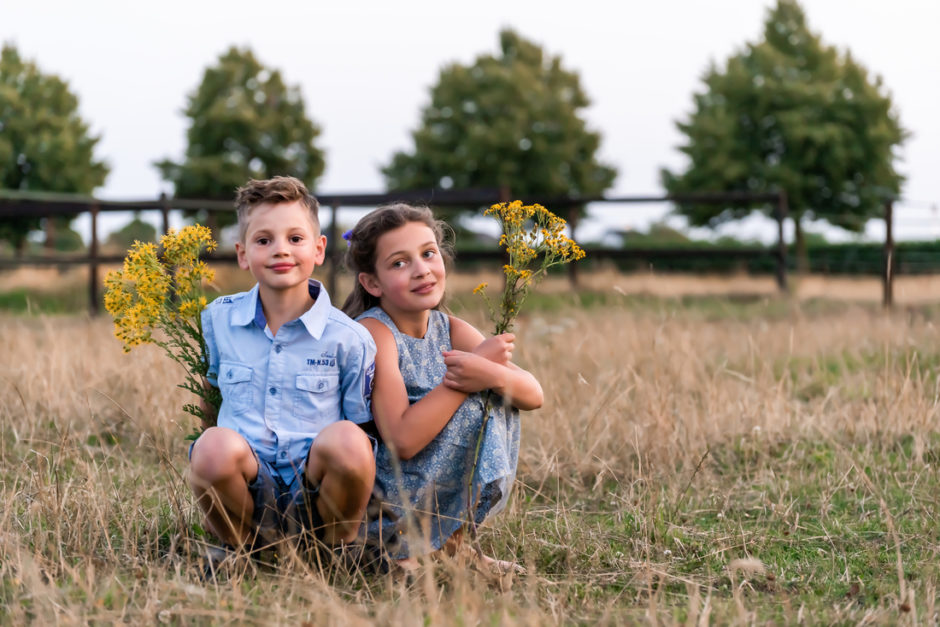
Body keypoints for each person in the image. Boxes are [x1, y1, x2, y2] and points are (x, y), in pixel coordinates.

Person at [342, 204, 543, 570]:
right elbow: (401, 440)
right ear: (372, 283)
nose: (421, 269)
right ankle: (402, 547)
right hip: (386, 490)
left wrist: (491, 373)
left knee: (497, 396)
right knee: (473, 402)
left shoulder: (449, 328)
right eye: (399, 263)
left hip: (425, 476)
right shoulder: (375, 332)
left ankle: (453, 543)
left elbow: (533, 395)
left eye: (428, 253)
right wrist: (468, 378)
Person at [188, 176, 377, 557]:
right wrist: (211, 476)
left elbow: (362, 428)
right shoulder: (218, 320)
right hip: (248, 481)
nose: (280, 251)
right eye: (263, 240)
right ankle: (243, 550)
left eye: (295, 239)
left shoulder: (348, 337)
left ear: (319, 249)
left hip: (318, 488)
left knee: (349, 443)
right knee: (210, 447)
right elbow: (210, 395)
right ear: (243, 254)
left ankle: (331, 552)